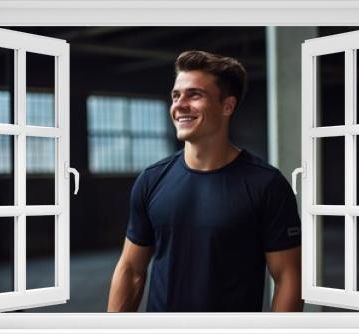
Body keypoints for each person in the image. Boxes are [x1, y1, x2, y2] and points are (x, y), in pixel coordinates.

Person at [107, 50, 303, 312]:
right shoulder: (151, 180)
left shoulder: (266, 185)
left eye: (194, 95)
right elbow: (131, 270)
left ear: (227, 106)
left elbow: (289, 278)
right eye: (176, 95)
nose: (180, 105)